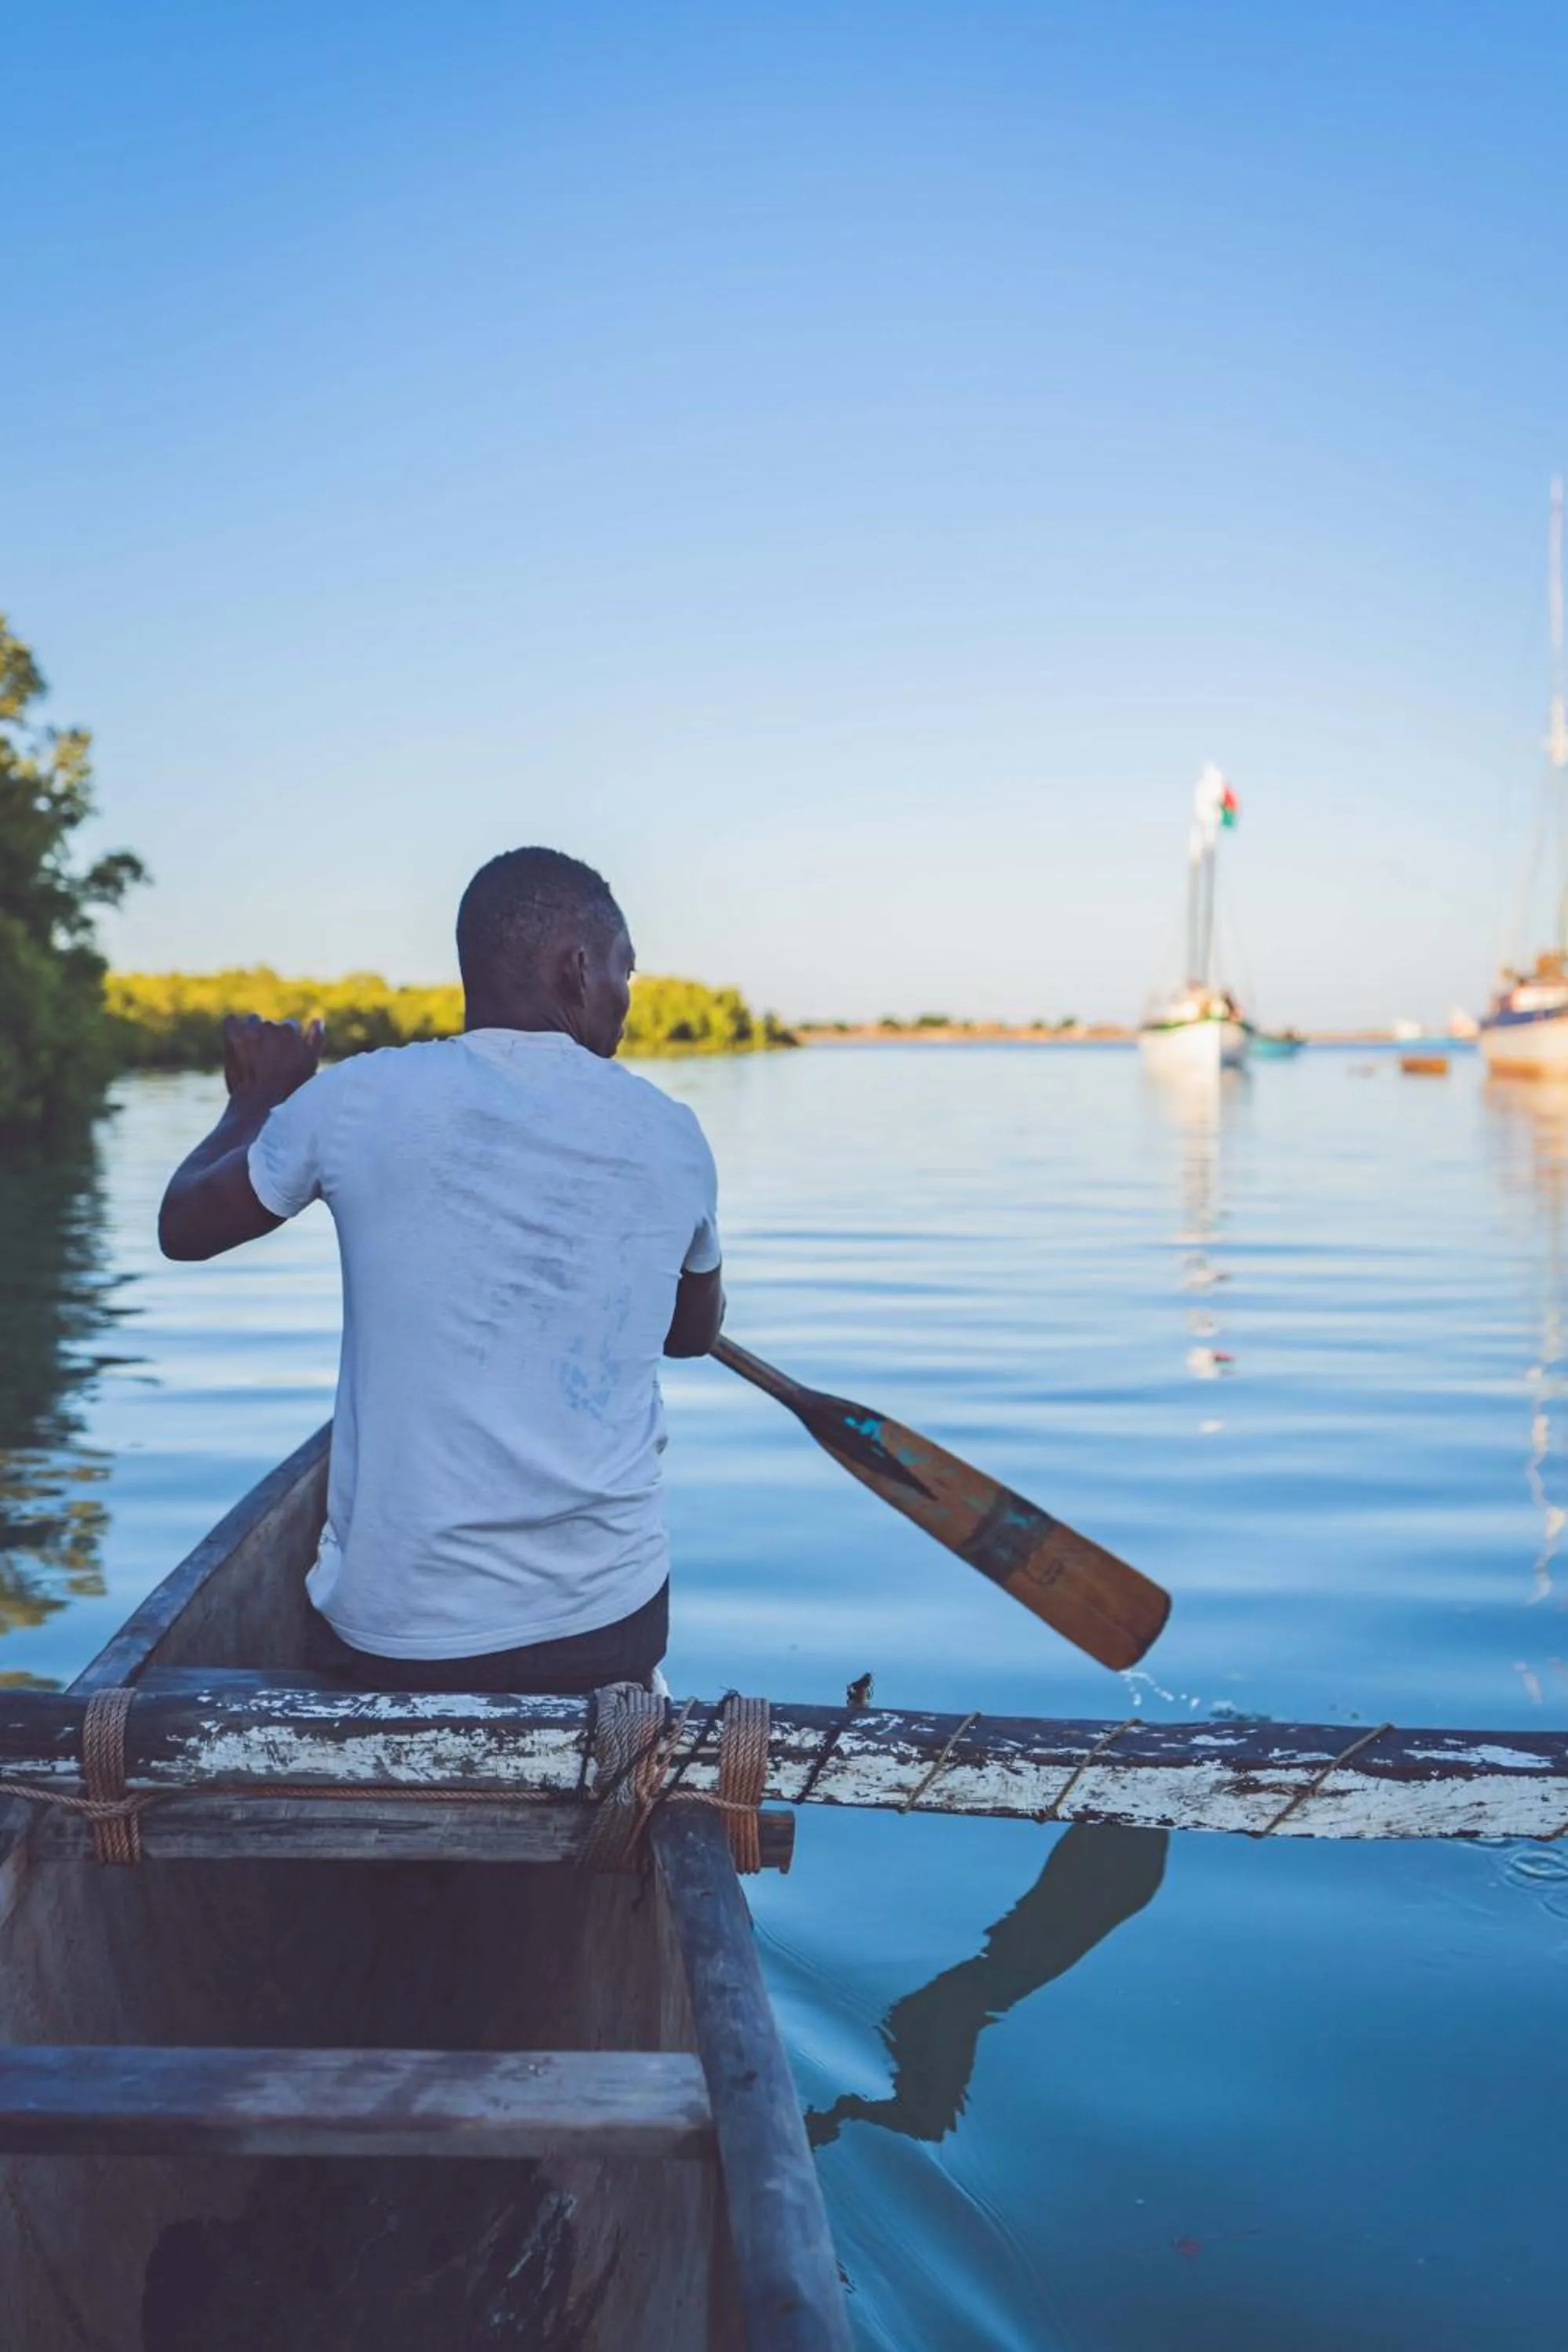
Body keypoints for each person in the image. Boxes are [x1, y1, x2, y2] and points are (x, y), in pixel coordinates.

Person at [158, 847, 724, 1693]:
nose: (625, 998)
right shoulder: (671, 1133)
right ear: (575, 970)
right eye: (622, 970)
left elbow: (183, 1226)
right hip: (607, 1627)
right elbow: (691, 1335)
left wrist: (253, 1101)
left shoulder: (355, 1098)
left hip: (396, 1639)